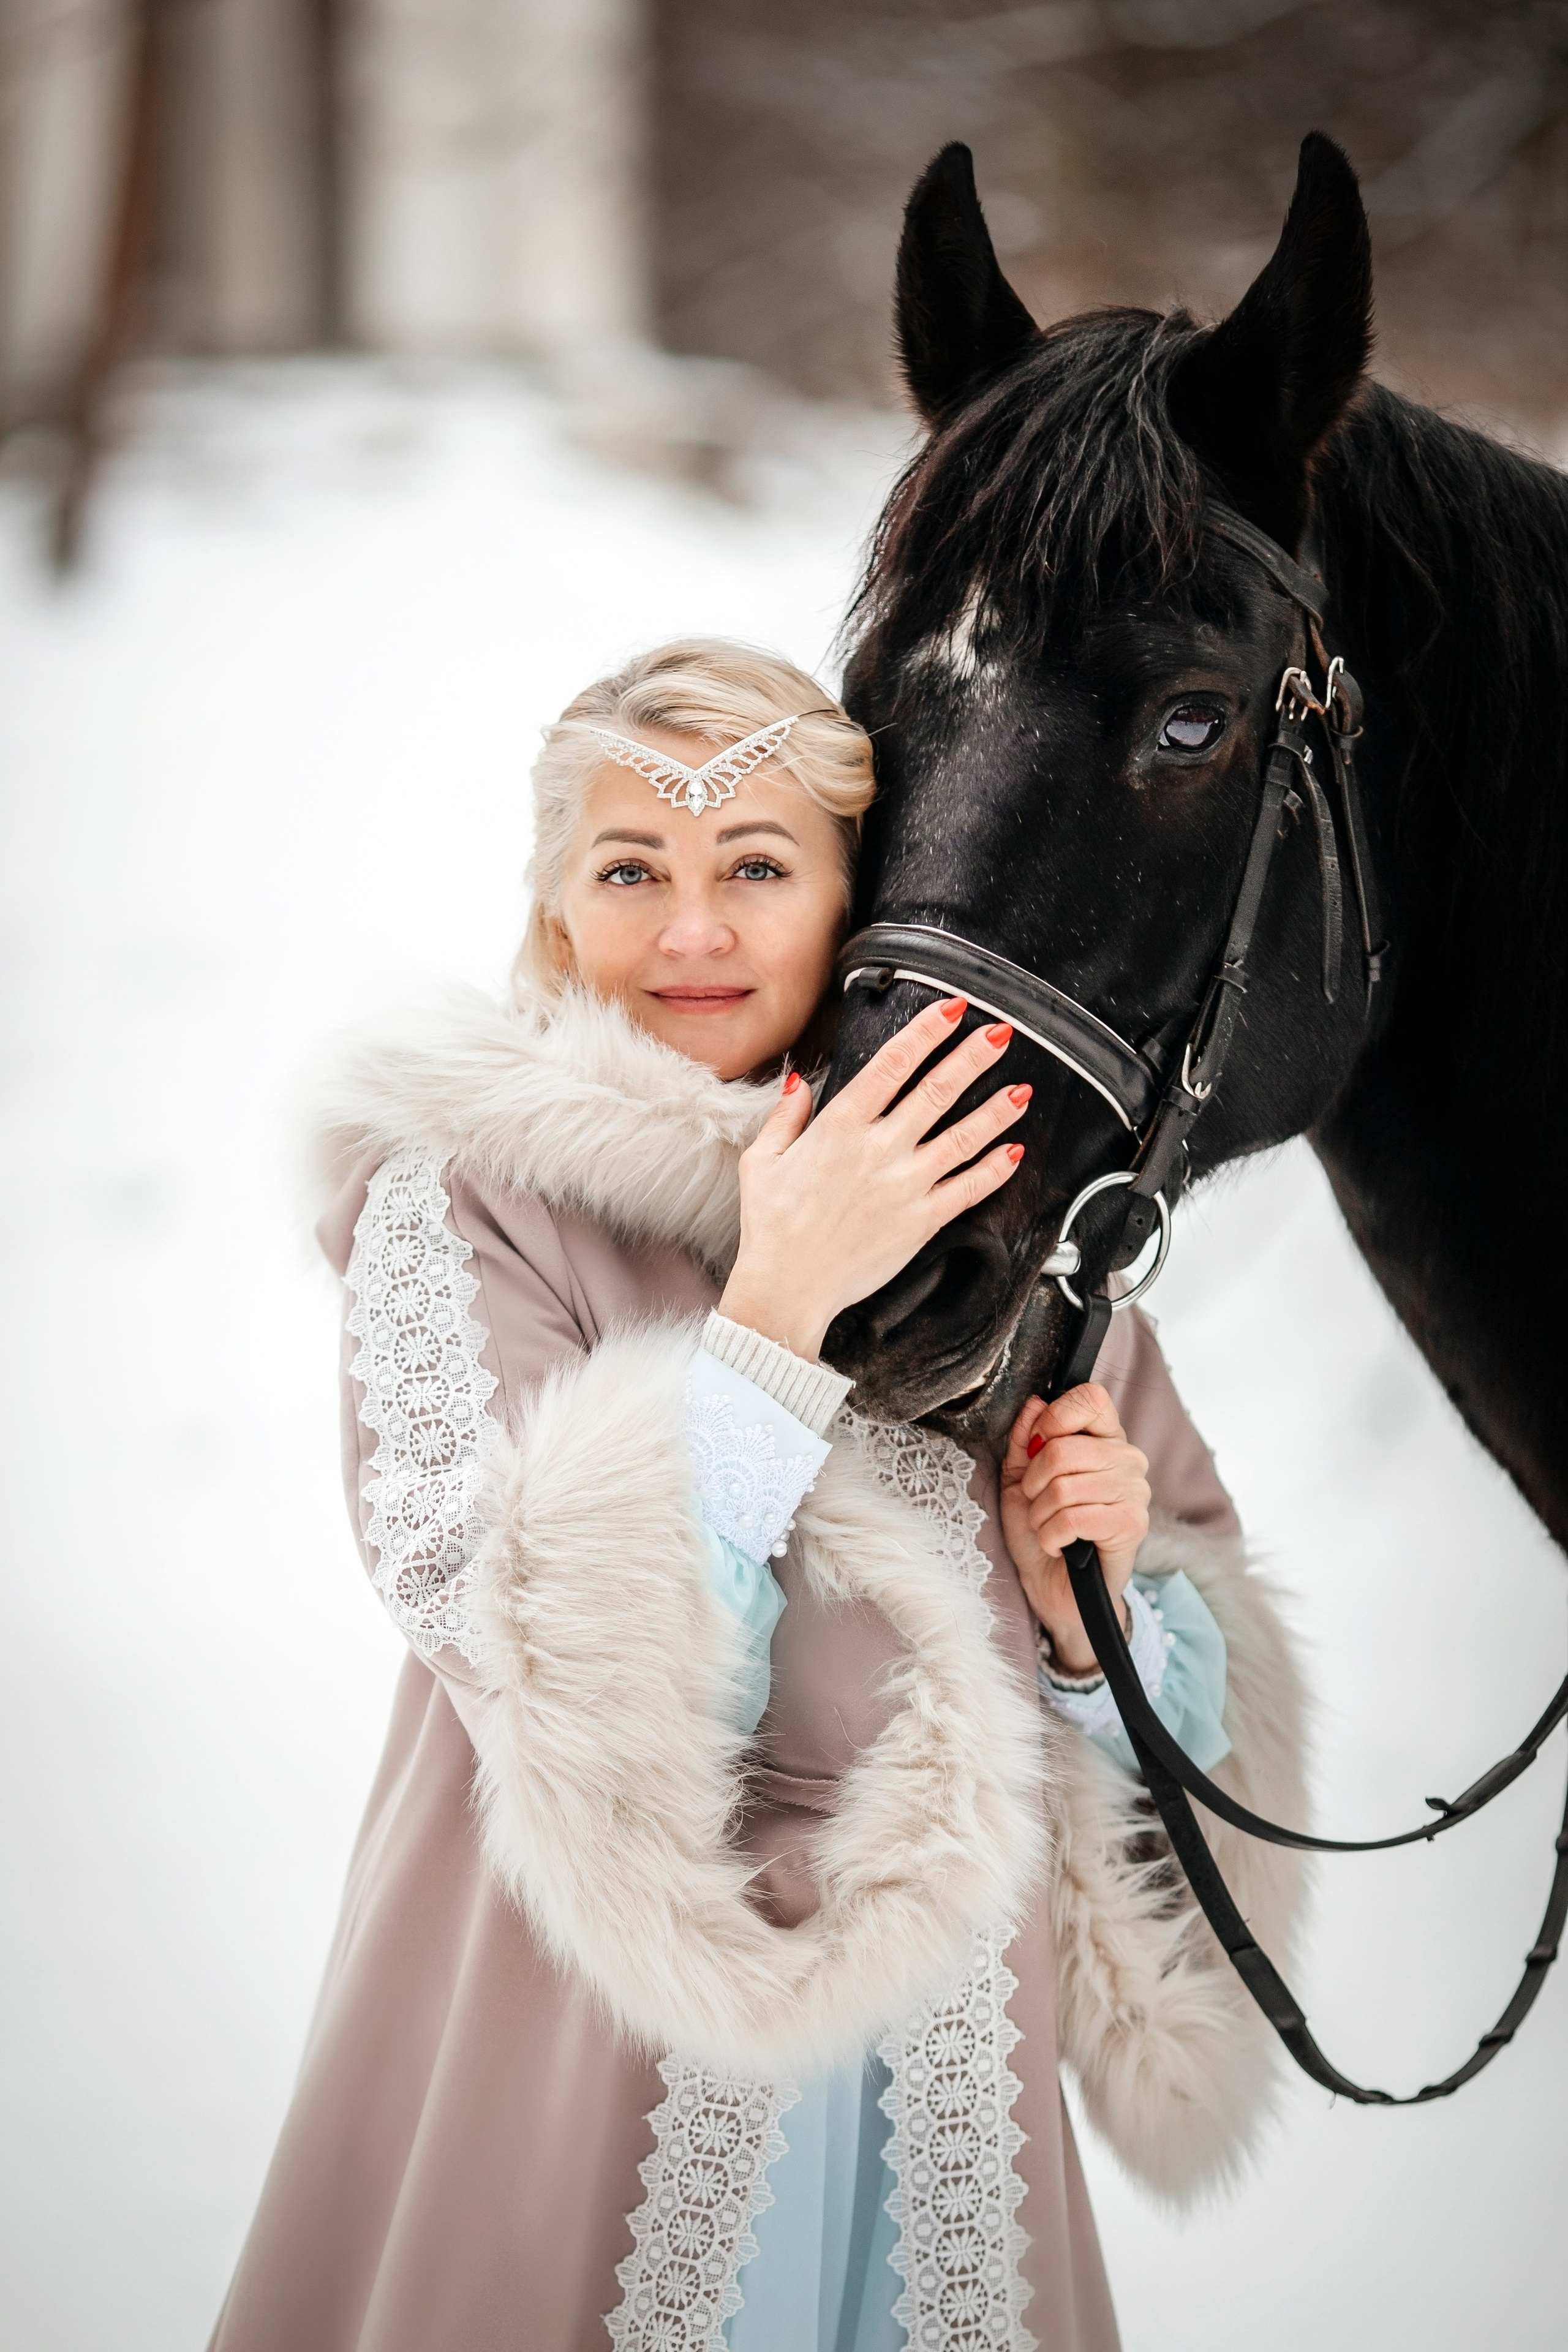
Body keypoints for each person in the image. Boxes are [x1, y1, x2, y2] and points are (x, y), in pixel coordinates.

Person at [209, 640, 1308, 2352]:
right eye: (632, 871)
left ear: (854, 901)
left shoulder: (1019, 1225)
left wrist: (1090, 1620)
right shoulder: (471, 1198)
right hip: (588, 2076)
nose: (695, 931)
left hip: (940, 2113)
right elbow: (530, 1654)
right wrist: (777, 1313)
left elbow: (1156, 1814)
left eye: (758, 869)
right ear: (560, 912)